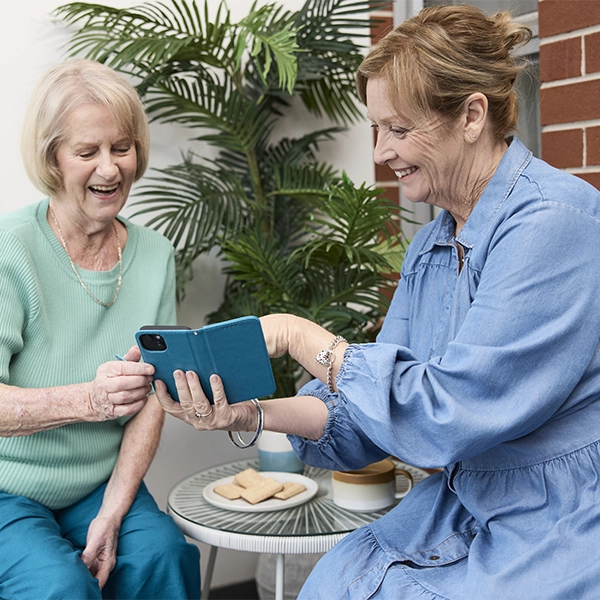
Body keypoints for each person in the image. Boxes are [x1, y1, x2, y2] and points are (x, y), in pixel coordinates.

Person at [155, 5, 600, 600]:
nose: (383, 151)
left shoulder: (555, 224)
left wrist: (299, 336)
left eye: (399, 128)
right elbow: (367, 410)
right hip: (464, 502)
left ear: (471, 115)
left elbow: (447, 413)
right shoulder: (432, 243)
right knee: (330, 584)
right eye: (376, 129)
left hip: (558, 517)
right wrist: (249, 415)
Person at [0, 59, 200, 599]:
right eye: (87, 153)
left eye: (122, 147)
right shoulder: (9, 249)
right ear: (52, 160)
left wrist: (113, 511)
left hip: (98, 484)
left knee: (163, 556)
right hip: (6, 490)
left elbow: (155, 397)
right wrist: (90, 400)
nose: (110, 170)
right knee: (60, 587)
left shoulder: (156, 255)